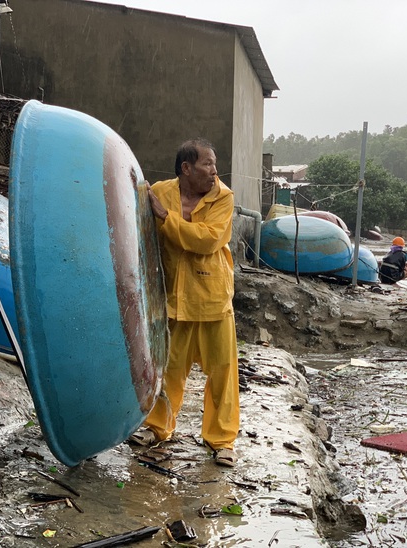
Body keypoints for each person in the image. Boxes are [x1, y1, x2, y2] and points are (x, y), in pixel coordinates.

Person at [129, 138, 239, 467]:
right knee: (169, 370)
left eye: (215, 164)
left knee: (222, 373)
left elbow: (207, 240)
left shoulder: (223, 197)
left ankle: (222, 441)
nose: (214, 171)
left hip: (212, 298)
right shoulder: (160, 192)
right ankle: (157, 427)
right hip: (174, 299)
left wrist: (166, 219)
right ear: (186, 168)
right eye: (207, 164)